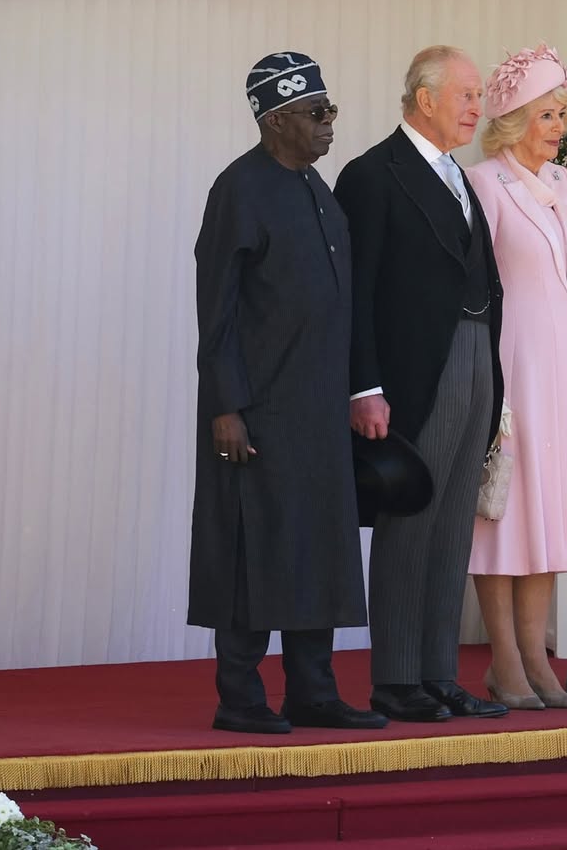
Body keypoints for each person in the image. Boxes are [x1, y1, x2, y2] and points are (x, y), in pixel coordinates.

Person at [188, 51, 385, 734]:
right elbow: (216, 309)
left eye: (330, 110)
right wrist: (225, 406)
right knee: (252, 548)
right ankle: (239, 698)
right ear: (275, 121)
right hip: (257, 410)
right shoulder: (239, 190)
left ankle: (313, 692)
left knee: (319, 547)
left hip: (318, 410)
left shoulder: (316, 188)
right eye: (315, 113)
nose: (329, 124)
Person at [335, 46, 509, 724]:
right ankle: (397, 678)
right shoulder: (372, 175)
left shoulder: (458, 175)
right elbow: (357, 293)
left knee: (453, 526)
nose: (477, 107)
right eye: (466, 95)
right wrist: (363, 387)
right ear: (424, 97)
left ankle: (438, 673)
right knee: (411, 519)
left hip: (472, 357)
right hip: (413, 368)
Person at [466, 45, 567, 710]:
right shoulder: (484, 183)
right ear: (516, 117)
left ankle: (538, 663)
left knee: (548, 513)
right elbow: (475, 287)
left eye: (563, 112)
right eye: (548, 113)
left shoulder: (561, 184)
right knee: (505, 513)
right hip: (511, 362)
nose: (560, 125)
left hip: (562, 368)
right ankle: (506, 662)